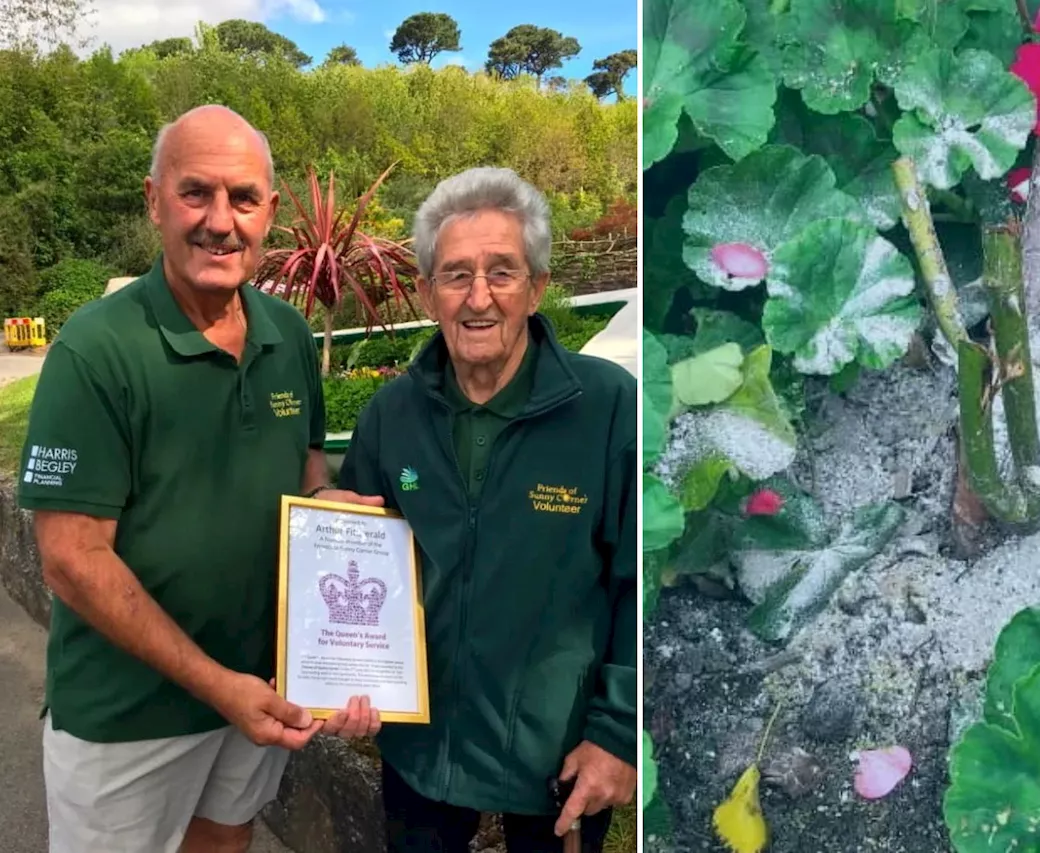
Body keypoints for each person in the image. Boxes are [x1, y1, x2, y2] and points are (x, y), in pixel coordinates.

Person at [17, 104, 379, 853]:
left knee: (223, 840)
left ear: (271, 212)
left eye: (243, 198)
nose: (221, 220)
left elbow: (306, 471)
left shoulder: (286, 334)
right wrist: (218, 685)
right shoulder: (95, 351)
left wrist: (332, 513)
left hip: (255, 691)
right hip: (128, 716)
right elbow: (71, 558)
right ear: (154, 199)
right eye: (196, 193)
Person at [332, 166, 637, 853]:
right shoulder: (391, 414)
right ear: (426, 290)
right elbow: (357, 552)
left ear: (537, 286)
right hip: (420, 749)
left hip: (557, 759)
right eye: (456, 274)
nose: (478, 297)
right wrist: (343, 678)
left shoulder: (609, 408)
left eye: (502, 272)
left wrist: (618, 733)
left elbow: (640, 586)